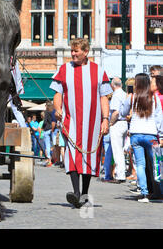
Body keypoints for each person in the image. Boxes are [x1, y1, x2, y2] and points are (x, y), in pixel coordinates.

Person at [51, 38, 112, 208]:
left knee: (88, 157)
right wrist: (58, 109)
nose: (73, 54)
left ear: (86, 52)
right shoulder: (64, 69)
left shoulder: (99, 71)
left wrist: (105, 119)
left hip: (92, 123)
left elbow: (103, 97)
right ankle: (76, 193)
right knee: (71, 154)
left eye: (76, 51)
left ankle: (84, 192)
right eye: (72, 50)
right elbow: (57, 93)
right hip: (70, 120)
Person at [120, 73, 163, 202]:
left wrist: (128, 100)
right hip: (151, 135)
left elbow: (122, 113)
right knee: (156, 163)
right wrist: (161, 135)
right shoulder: (154, 98)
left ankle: (144, 193)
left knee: (140, 164)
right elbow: (159, 118)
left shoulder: (132, 98)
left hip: (136, 134)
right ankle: (160, 191)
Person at [108, 77, 128, 182]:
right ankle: (122, 172)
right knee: (121, 149)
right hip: (124, 122)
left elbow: (115, 112)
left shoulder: (116, 95)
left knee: (117, 150)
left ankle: (120, 175)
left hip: (117, 123)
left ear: (113, 85)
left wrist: (110, 123)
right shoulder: (124, 94)